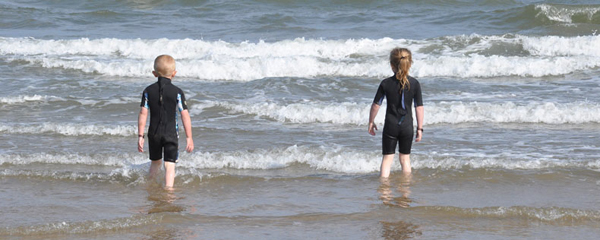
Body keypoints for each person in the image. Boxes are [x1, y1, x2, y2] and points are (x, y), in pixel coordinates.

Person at [138, 54, 194, 189]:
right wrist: (189, 137)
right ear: (174, 74)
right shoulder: (177, 92)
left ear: (154, 73)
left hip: (154, 133)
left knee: (155, 163)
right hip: (171, 133)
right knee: (169, 165)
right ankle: (169, 191)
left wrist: (140, 136)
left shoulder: (148, 91)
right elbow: (184, 115)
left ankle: (150, 187)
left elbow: (143, 113)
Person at [368, 48, 423, 178]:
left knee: (387, 159)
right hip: (407, 126)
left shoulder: (385, 83)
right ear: (409, 64)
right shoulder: (414, 83)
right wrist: (420, 128)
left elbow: (376, 105)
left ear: (392, 65)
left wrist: (371, 122)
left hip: (391, 126)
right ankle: (405, 190)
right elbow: (419, 107)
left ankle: (384, 193)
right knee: (405, 159)